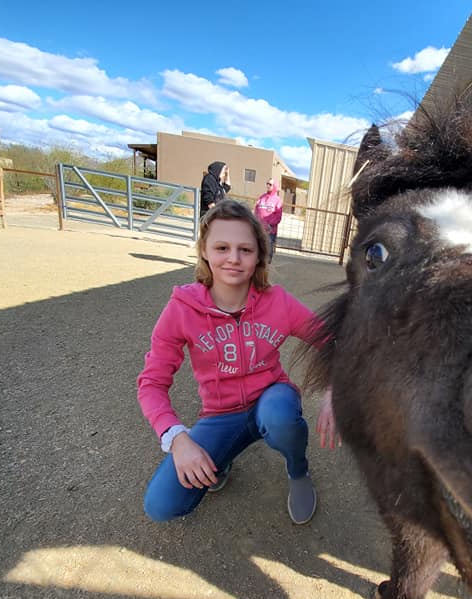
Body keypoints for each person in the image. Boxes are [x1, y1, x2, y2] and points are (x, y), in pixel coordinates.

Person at [137, 199, 339, 526]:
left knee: (280, 417)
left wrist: (334, 387)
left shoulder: (278, 302)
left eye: (245, 249)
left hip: (272, 398)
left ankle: (298, 470)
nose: (233, 258)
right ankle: (223, 458)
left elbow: (331, 341)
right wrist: (176, 438)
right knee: (161, 506)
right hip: (220, 413)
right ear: (204, 250)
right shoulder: (181, 309)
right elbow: (151, 384)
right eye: (221, 247)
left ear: (260, 254)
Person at [254, 178, 283, 261]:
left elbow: (278, 216)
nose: (268, 186)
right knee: (257, 251)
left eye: (270, 184)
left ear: (274, 186)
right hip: (259, 229)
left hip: (270, 231)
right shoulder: (262, 197)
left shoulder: (277, 200)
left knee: (267, 253)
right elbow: (256, 210)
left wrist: (269, 224)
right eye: (267, 183)